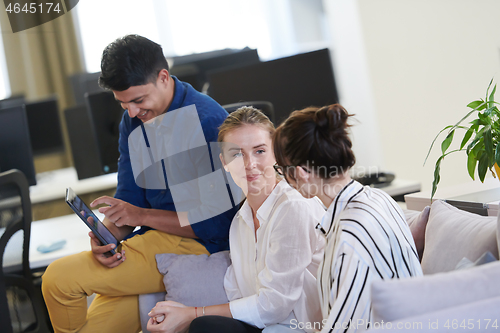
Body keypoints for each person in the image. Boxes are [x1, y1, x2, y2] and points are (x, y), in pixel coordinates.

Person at [41, 35, 238, 333]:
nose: (132, 112)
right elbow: (130, 197)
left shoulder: (205, 121)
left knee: (57, 278)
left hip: (200, 247)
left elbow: (214, 225)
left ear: (163, 78)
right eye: (123, 104)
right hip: (152, 241)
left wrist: (140, 216)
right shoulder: (132, 122)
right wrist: (107, 234)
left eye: (138, 100)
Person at [146, 107, 326, 333]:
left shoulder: (294, 206)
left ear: (277, 154)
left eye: (259, 151)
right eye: (237, 154)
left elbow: (275, 306)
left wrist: (190, 314)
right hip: (265, 326)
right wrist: (179, 314)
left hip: (301, 328)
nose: (249, 164)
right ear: (224, 162)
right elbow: (237, 291)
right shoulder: (240, 221)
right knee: (203, 326)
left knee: (203, 325)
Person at [272, 104, 423, 332]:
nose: (283, 179)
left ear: (301, 172)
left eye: (282, 169)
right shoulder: (378, 198)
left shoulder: (351, 233)